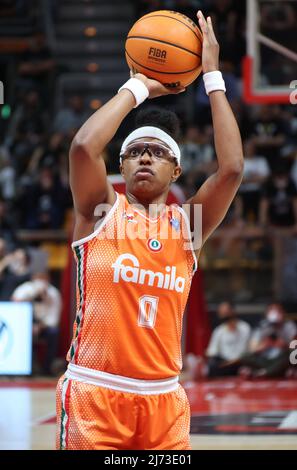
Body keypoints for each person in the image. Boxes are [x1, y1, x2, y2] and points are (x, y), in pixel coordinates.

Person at [56, 11, 244, 450]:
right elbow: (84, 146)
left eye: (156, 152)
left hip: (164, 400)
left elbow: (232, 168)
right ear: (120, 165)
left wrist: (212, 75)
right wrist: (138, 86)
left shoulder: (188, 226)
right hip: (95, 392)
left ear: (176, 169)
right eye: (134, 151)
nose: (144, 157)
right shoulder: (100, 209)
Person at [11, 272, 62, 376]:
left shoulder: (54, 295)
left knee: (54, 333)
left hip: (44, 326)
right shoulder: (26, 289)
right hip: (25, 325)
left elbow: (54, 319)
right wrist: (30, 297)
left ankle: (46, 368)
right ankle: (27, 368)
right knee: (23, 335)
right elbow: (14, 304)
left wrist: (40, 327)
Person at [205, 301, 251, 377]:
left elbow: (246, 350)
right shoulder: (219, 331)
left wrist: (235, 360)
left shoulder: (245, 328)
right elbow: (212, 352)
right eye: (221, 312)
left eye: (225, 312)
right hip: (224, 363)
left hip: (240, 362)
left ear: (232, 311)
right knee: (212, 366)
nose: (223, 314)